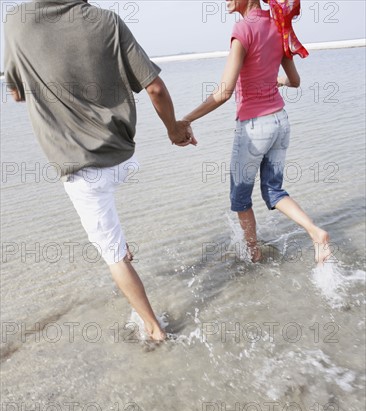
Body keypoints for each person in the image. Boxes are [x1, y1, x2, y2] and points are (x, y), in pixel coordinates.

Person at [4, 0, 196, 342]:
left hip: (83, 170)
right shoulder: (108, 22)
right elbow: (154, 88)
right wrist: (174, 130)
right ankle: (121, 247)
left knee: (113, 257)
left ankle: (155, 331)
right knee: (112, 233)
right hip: (122, 155)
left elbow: (17, 93)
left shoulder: (17, 21)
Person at [183, 0, 330, 264]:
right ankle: (315, 232)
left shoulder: (242, 29)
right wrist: (276, 80)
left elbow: (224, 92)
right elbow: (295, 81)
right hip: (280, 122)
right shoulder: (278, 24)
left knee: (240, 199)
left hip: (254, 128)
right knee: (273, 191)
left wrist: (186, 119)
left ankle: (254, 257)